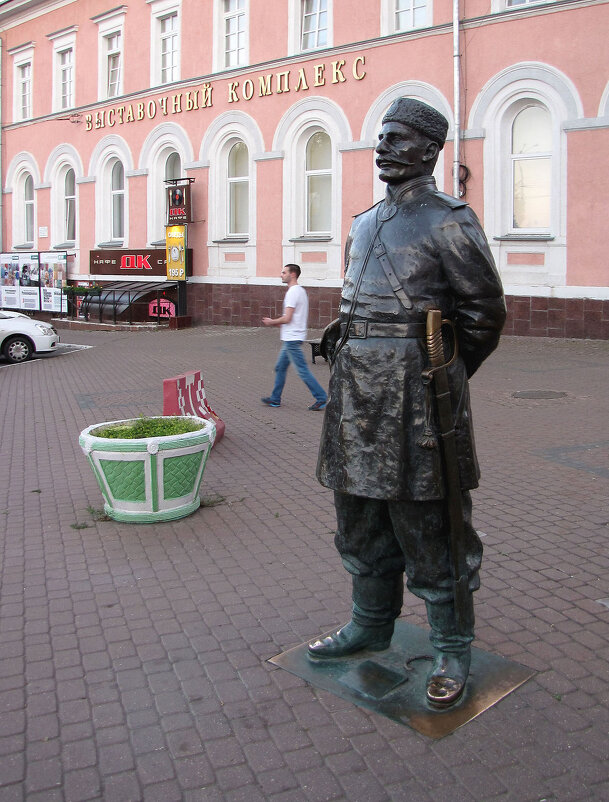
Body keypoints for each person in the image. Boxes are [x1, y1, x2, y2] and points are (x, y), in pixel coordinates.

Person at [308, 98, 506, 708]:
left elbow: (483, 315)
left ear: (429, 149)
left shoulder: (450, 220)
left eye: (398, 137)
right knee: (360, 513)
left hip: (416, 396)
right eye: (381, 136)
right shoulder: (364, 223)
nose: (384, 146)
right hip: (355, 394)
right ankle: (370, 623)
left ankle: (451, 642)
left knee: (430, 522)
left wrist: (439, 378)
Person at [261, 263, 328, 411]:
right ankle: (275, 399)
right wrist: (280, 324)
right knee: (280, 368)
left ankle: (321, 397)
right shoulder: (301, 291)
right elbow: (293, 318)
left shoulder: (292, 292)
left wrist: (272, 322)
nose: (281, 274)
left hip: (292, 339)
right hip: (291, 337)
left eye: (284, 272)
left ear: (292, 274)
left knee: (302, 370)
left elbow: (288, 318)